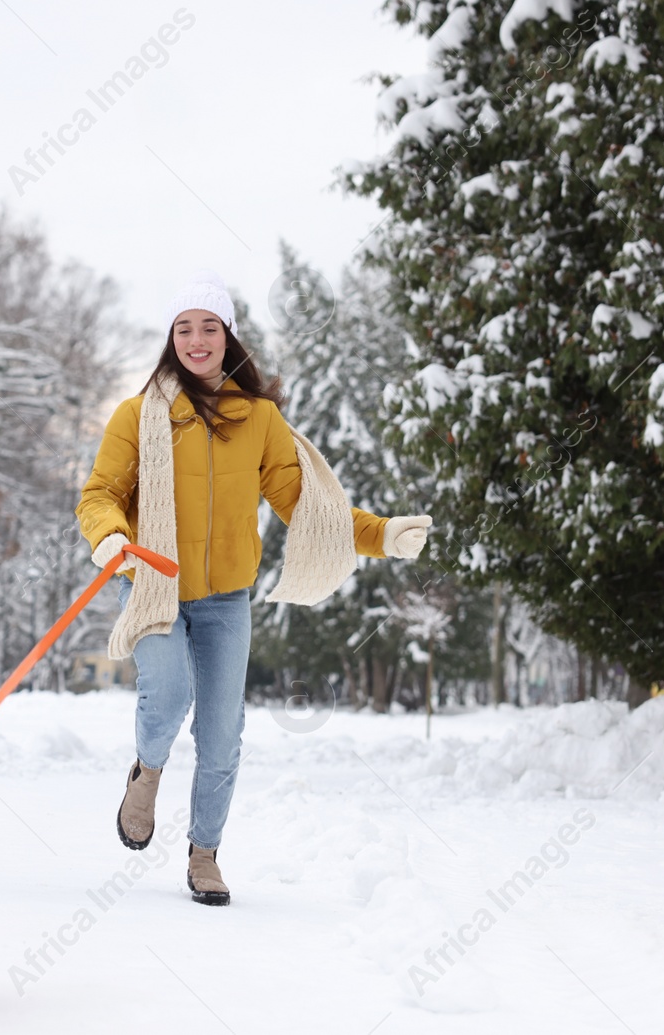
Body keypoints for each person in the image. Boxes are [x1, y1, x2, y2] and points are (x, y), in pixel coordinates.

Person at [74, 269, 433, 906]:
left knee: (221, 731)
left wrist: (382, 535)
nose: (195, 339)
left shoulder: (259, 419)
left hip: (224, 601)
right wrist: (107, 535)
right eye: (183, 328)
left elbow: (307, 506)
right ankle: (147, 768)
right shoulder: (138, 415)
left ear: (228, 335)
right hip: (156, 585)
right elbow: (100, 493)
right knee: (168, 695)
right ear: (171, 340)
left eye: (208, 326)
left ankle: (205, 853)